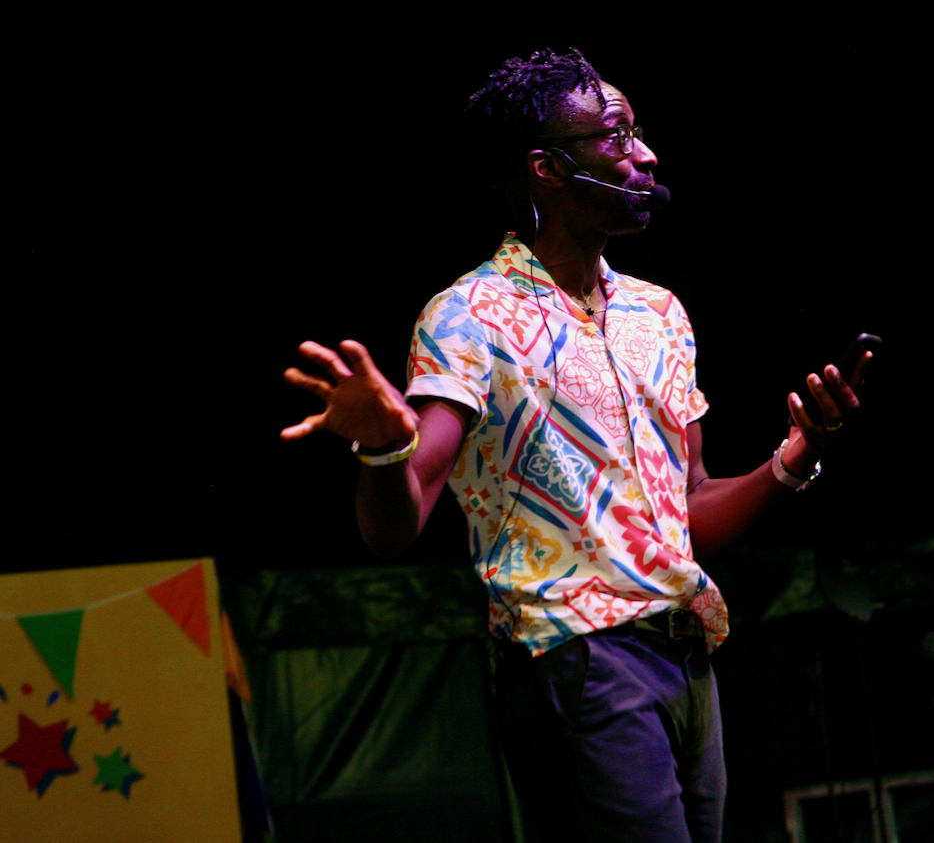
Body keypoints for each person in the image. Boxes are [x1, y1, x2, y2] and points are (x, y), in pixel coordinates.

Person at [280, 48, 866, 843]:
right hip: (579, 657)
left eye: (639, 134)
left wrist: (791, 461)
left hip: (685, 654)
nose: (646, 157)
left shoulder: (658, 314)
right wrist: (385, 447)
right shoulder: (471, 316)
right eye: (616, 138)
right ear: (548, 169)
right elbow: (395, 523)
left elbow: (688, 512)